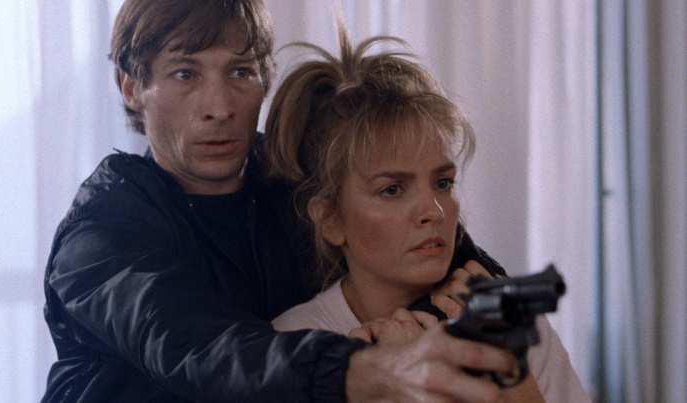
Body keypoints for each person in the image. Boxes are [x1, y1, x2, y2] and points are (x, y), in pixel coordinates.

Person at [41, 0, 524, 402]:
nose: (220, 107)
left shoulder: (293, 176)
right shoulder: (100, 232)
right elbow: (199, 348)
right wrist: (366, 368)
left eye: (241, 71)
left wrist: (456, 302)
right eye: (185, 74)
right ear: (131, 87)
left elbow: (446, 253)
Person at [266, 29, 591, 403]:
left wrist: (512, 381)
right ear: (330, 220)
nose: (434, 211)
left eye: (443, 182)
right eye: (393, 189)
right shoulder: (293, 350)